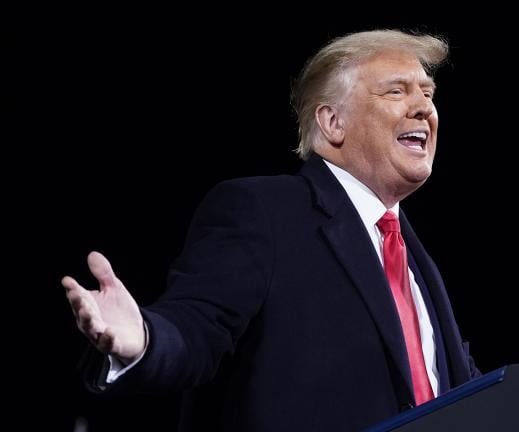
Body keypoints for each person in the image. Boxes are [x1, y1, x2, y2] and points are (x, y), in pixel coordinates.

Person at [63, 29, 481, 431]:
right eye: (396, 91)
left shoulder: (413, 257)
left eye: (428, 93)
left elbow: (467, 395)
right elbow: (198, 326)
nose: (424, 107)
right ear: (333, 122)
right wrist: (145, 339)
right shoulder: (264, 211)